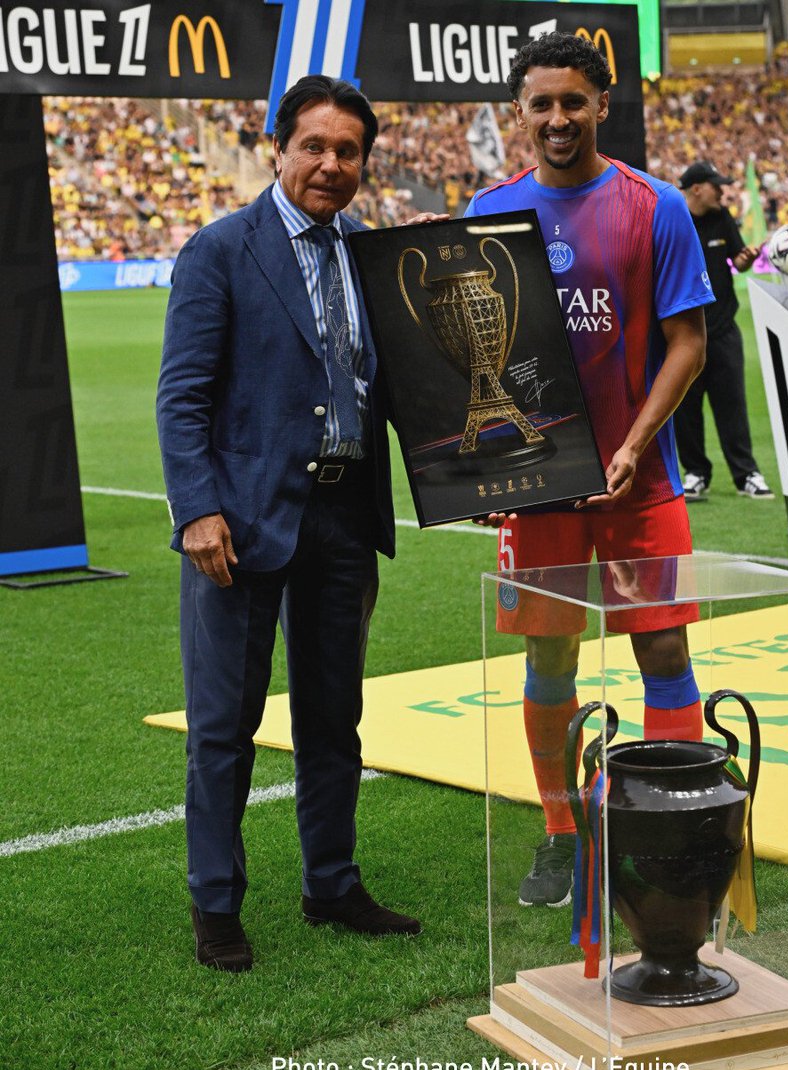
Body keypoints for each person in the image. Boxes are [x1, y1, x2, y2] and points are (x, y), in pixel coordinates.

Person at [156, 75, 420, 973]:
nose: (331, 165)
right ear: (278, 147)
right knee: (222, 725)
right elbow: (181, 397)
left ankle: (331, 883)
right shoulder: (222, 249)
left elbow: (400, 391)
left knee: (332, 717)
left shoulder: (373, 258)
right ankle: (216, 904)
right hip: (240, 522)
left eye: (348, 151)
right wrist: (195, 509)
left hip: (344, 517)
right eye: (314, 146)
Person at [464, 32, 713, 907]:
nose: (559, 118)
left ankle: (671, 822)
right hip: (540, 489)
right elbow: (462, 360)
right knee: (550, 654)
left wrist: (639, 441)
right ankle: (562, 833)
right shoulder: (489, 209)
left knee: (664, 643)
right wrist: (482, 468)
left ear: (603, 104)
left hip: (639, 482)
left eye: (575, 100)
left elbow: (689, 341)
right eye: (542, 103)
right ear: (520, 113)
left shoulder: (656, 208)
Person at [675, 159, 774, 501]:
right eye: (717, 186)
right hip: (682, 333)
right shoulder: (672, 219)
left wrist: (745, 259)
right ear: (697, 188)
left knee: (732, 405)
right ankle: (695, 473)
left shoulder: (722, 218)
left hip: (723, 330)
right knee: (685, 409)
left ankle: (746, 475)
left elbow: (738, 260)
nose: (722, 191)